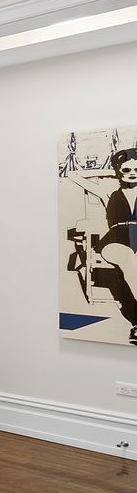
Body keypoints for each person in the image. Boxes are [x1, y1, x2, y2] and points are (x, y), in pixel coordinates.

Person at [100, 148, 137, 345]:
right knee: (128, 260)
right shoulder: (110, 192)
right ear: (118, 171)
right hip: (116, 238)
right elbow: (73, 176)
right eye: (126, 170)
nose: (132, 173)